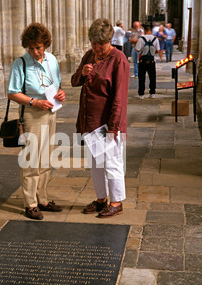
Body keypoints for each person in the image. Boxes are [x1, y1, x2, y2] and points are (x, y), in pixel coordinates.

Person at [71, 18, 129, 218]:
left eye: (100, 44)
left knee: (111, 162)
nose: (96, 48)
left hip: (107, 122)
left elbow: (120, 96)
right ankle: (101, 199)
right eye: (93, 43)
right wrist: (83, 73)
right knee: (95, 162)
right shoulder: (89, 56)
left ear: (109, 40)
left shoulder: (118, 59)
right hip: (89, 120)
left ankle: (116, 201)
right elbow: (74, 82)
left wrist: (114, 126)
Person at [7, 23, 66, 220]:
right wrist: (35, 101)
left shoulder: (52, 60)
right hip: (32, 115)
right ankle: (30, 204)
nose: (35, 51)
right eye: (31, 47)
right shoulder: (21, 63)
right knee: (31, 160)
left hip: (51, 113)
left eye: (38, 47)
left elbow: (57, 84)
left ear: (46, 44)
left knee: (47, 159)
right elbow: (13, 93)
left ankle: (43, 199)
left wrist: (61, 93)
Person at [135, 25, 160, 99]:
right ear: (151, 31)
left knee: (142, 77)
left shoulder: (141, 39)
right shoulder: (155, 39)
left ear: (145, 31)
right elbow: (158, 50)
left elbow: (137, 49)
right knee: (152, 77)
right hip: (152, 61)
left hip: (143, 61)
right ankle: (152, 93)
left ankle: (141, 94)